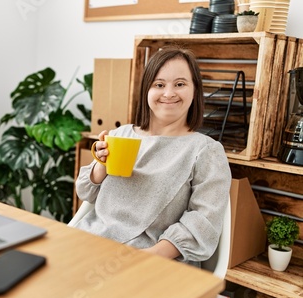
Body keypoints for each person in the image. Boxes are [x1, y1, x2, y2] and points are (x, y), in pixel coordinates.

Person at [70, 46, 232, 266]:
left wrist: (147, 257)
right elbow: (85, 192)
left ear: (195, 91)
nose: (168, 93)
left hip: (152, 260)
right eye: (159, 84)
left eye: (180, 84)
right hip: (91, 242)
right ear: (147, 90)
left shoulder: (206, 151)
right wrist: (101, 166)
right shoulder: (121, 134)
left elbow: (203, 222)